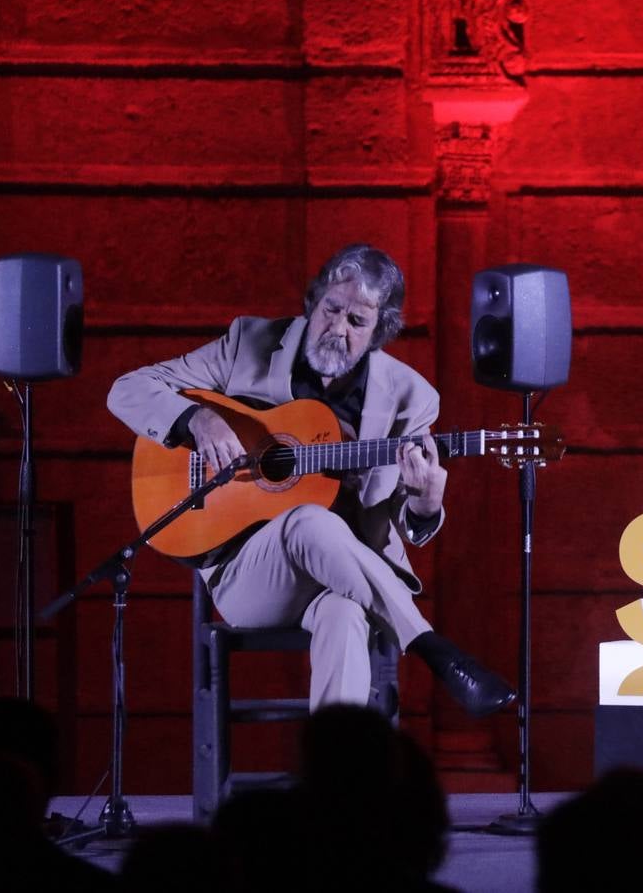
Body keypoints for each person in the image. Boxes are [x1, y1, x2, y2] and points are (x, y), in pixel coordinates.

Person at [108, 243, 515, 716]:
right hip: (249, 576)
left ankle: (334, 761)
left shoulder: (411, 397)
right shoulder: (248, 344)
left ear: (379, 332)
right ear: (314, 300)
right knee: (308, 520)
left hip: (347, 578)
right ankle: (432, 648)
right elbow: (127, 389)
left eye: (357, 321)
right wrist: (197, 419)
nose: (337, 328)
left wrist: (425, 504)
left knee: (345, 614)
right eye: (331, 309)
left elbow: (405, 519)